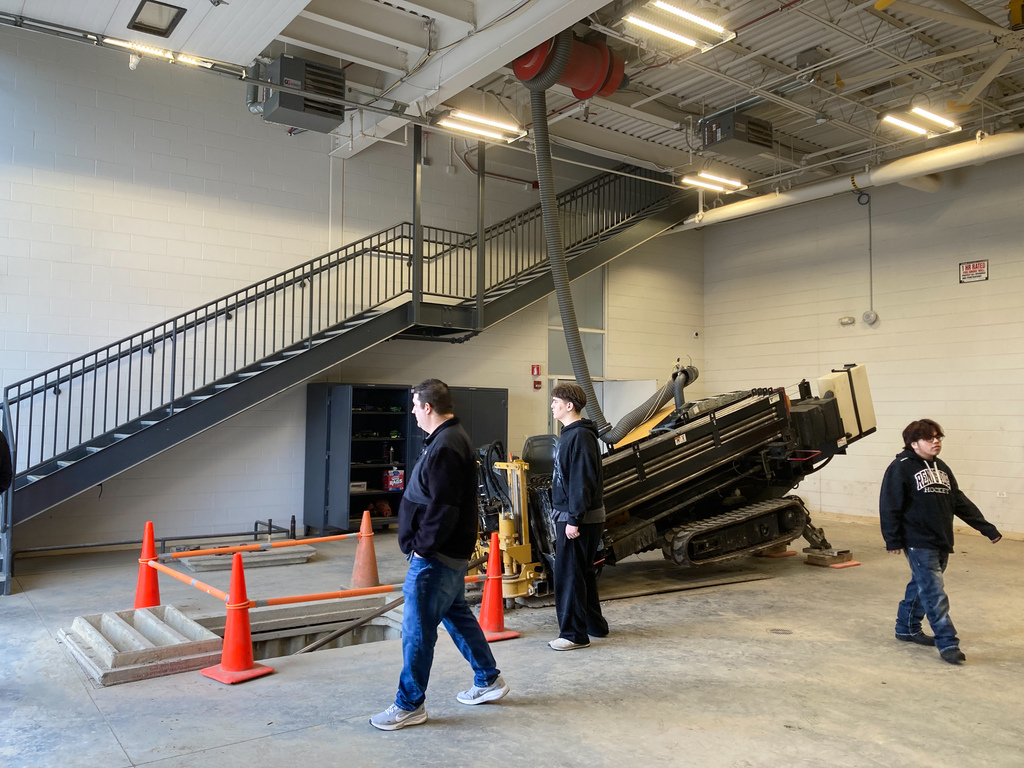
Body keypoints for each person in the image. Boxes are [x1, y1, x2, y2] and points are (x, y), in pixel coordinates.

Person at [370, 379, 508, 731]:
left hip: (436, 557)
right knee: (457, 614)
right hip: (446, 555)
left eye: (415, 406)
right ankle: (488, 679)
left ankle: (409, 704)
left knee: (416, 631)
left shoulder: (447, 445)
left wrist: (422, 549)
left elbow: (443, 508)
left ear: (428, 407)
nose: (413, 412)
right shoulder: (447, 439)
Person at [879, 419, 1001, 665]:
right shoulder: (901, 467)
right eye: (929, 438)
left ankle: (906, 628)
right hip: (917, 540)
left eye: (938, 437)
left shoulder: (942, 468)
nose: (936, 441)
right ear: (914, 443)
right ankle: (948, 644)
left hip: (941, 539)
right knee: (934, 593)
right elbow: (889, 504)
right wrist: (892, 539)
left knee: (921, 586)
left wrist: (986, 528)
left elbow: (959, 502)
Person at [548, 382, 608, 651]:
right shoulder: (571, 434)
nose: (552, 406)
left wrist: (574, 519)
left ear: (569, 406)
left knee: (569, 575)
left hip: (578, 519)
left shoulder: (580, 437)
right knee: (581, 573)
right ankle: (594, 625)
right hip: (575, 515)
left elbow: (582, 481)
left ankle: (573, 634)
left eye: (555, 402)